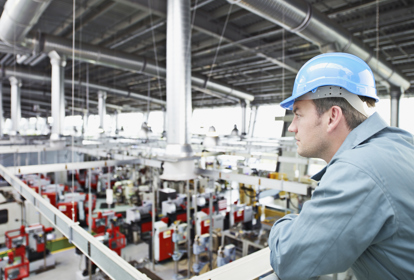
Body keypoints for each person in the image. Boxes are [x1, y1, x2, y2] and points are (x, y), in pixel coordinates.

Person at [269, 52, 414, 280]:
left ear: (332, 117)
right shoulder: (401, 143)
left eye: (298, 115)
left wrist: (283, 224)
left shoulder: (357, 170)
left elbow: (289, 260)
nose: (292, 127)